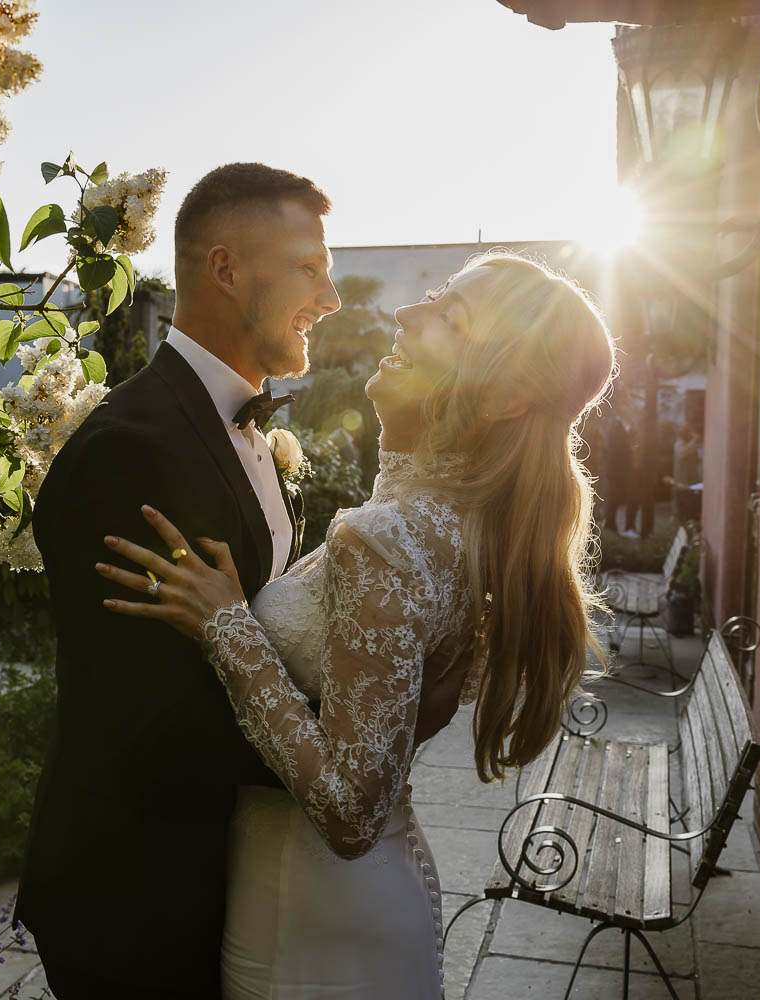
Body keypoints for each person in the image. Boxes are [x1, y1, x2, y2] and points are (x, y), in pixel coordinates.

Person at [98, 251, 618, 998]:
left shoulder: (385, 540)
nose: (408, 314)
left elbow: (349, 812)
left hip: (310, 916)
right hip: (359, 900)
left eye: (449, 317)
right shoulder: (462, 523)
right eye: (435, 295)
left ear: (503, 397)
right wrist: (403, 423)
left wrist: (228, 627)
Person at [14, 163, 467, 998]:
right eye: (308, 267)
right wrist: (357, 752)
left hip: (234, 880)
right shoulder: (132, 449)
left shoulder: (249, 433)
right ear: (224, 269)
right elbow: (149, 714)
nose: (330, 296)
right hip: (139, 894)